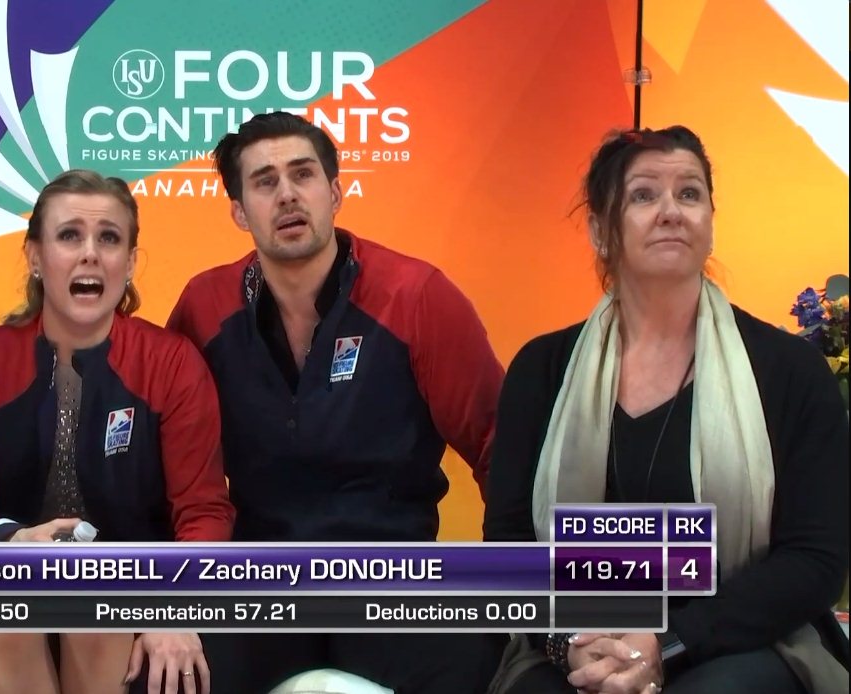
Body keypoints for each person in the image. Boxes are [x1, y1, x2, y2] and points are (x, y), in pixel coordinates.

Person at [483, 126, 850, 694]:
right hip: (578, 640)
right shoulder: (542, 369)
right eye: (644, 195)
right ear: (600, 231)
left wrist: (667, 642)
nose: (672, 212)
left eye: (689, 193)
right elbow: (510, 544)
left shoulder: (788, 371)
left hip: (744, 639)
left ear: (710, 222)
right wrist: (571, 641)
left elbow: (814, 559)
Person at [166, 112, 507, 692]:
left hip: (393, 578)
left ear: (335, 192)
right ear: (239, 212)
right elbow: (167, 454)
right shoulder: (205, 305)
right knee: (165, 671)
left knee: (482, 658)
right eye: (265, 182)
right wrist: (166, 599)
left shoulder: (415, 295)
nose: (287, 195)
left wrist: (514, 578)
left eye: (303, 174)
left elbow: (499, 448)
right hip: (259, 583)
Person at [0, 169, 235, 694]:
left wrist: (173, 604)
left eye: (109, 238)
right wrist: (13, 539)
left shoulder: (172, 362)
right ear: (34, 256)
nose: (90, 253)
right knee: (14, 604)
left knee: (95, 600)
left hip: (132, 592)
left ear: (130, 263)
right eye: (69, 235)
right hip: (6, 589)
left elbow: (203, 510)